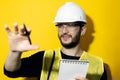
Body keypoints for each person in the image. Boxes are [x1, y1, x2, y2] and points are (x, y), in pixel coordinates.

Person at [4, 2, 107, 80]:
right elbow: (11, 71)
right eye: (60, 25)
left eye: (70, 25)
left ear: (83, 30)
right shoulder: (44, 58)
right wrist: (14, 52)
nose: (64, 30)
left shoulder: (98, 65)